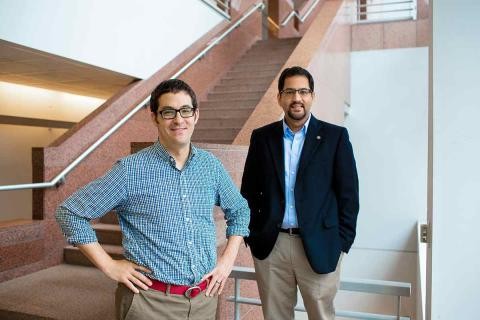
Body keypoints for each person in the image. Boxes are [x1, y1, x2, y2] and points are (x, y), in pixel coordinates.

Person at [56, 79, 250, 320]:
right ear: (155, 117)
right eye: (168, 112)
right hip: (150, 304)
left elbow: (240, 210)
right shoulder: (130, 170)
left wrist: (227, 260)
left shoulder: (210, 166)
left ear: (196, 115)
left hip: (204, 302)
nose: (179, 120)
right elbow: (69, 213)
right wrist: (109, 265)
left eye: (186, 110)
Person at [241, 66, 359, 320]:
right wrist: (252, 234)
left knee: (321, 315)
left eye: (303, 91)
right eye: (290, 91)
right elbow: (249, 190)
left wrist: (342, 243)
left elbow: (349, 195)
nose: (297, 98)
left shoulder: (335, 137)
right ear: (280, 97)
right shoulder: (262, 138)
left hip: (320, 244)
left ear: (312, 96)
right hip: (273, 246)